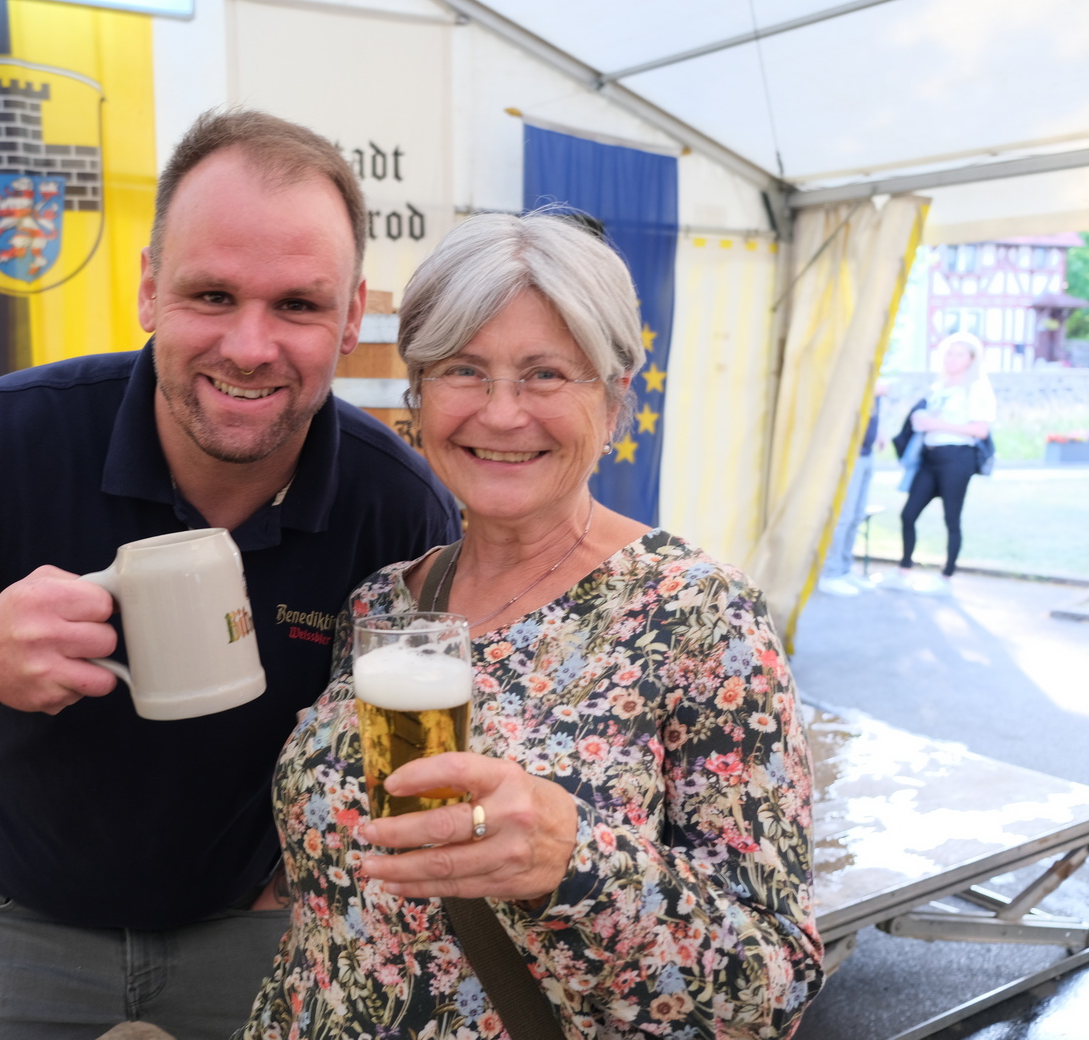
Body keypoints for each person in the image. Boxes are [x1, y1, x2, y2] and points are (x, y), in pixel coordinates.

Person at [0, 109, 461, 1039]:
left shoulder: (398, 505)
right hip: (5, 913)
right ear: (149, 289)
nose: (249, 346)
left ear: (351, 318)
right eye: (212, 295)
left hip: (258, 920)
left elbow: (415, 754)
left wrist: (318, 868)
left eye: (298, 306)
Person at [241, 212, 824, 1038]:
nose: (502, 413)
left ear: (614, 400)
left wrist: (570, 860)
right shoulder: (384, 603)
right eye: (463, 370)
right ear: (419, 393)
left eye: (546, 374)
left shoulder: (699, 615)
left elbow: (772, 990)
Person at [890, 332, 996, 595]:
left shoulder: (976, 388)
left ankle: (947, 575)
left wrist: (937, 424)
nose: (952, 359)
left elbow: (980, 430)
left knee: (951, 517)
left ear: (971, 359)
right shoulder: (938, 388)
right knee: (908, 514)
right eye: (949, 353)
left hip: (957, 458)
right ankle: (904, 568)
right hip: (929, 457)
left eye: (959, 354)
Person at [818, 385, 885, 596]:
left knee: (856, 516)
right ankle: (830, 573)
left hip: (867, 453)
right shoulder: (858, 378)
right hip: (850, 454)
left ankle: (844, 569)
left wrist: (879, 431)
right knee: (843, 517)